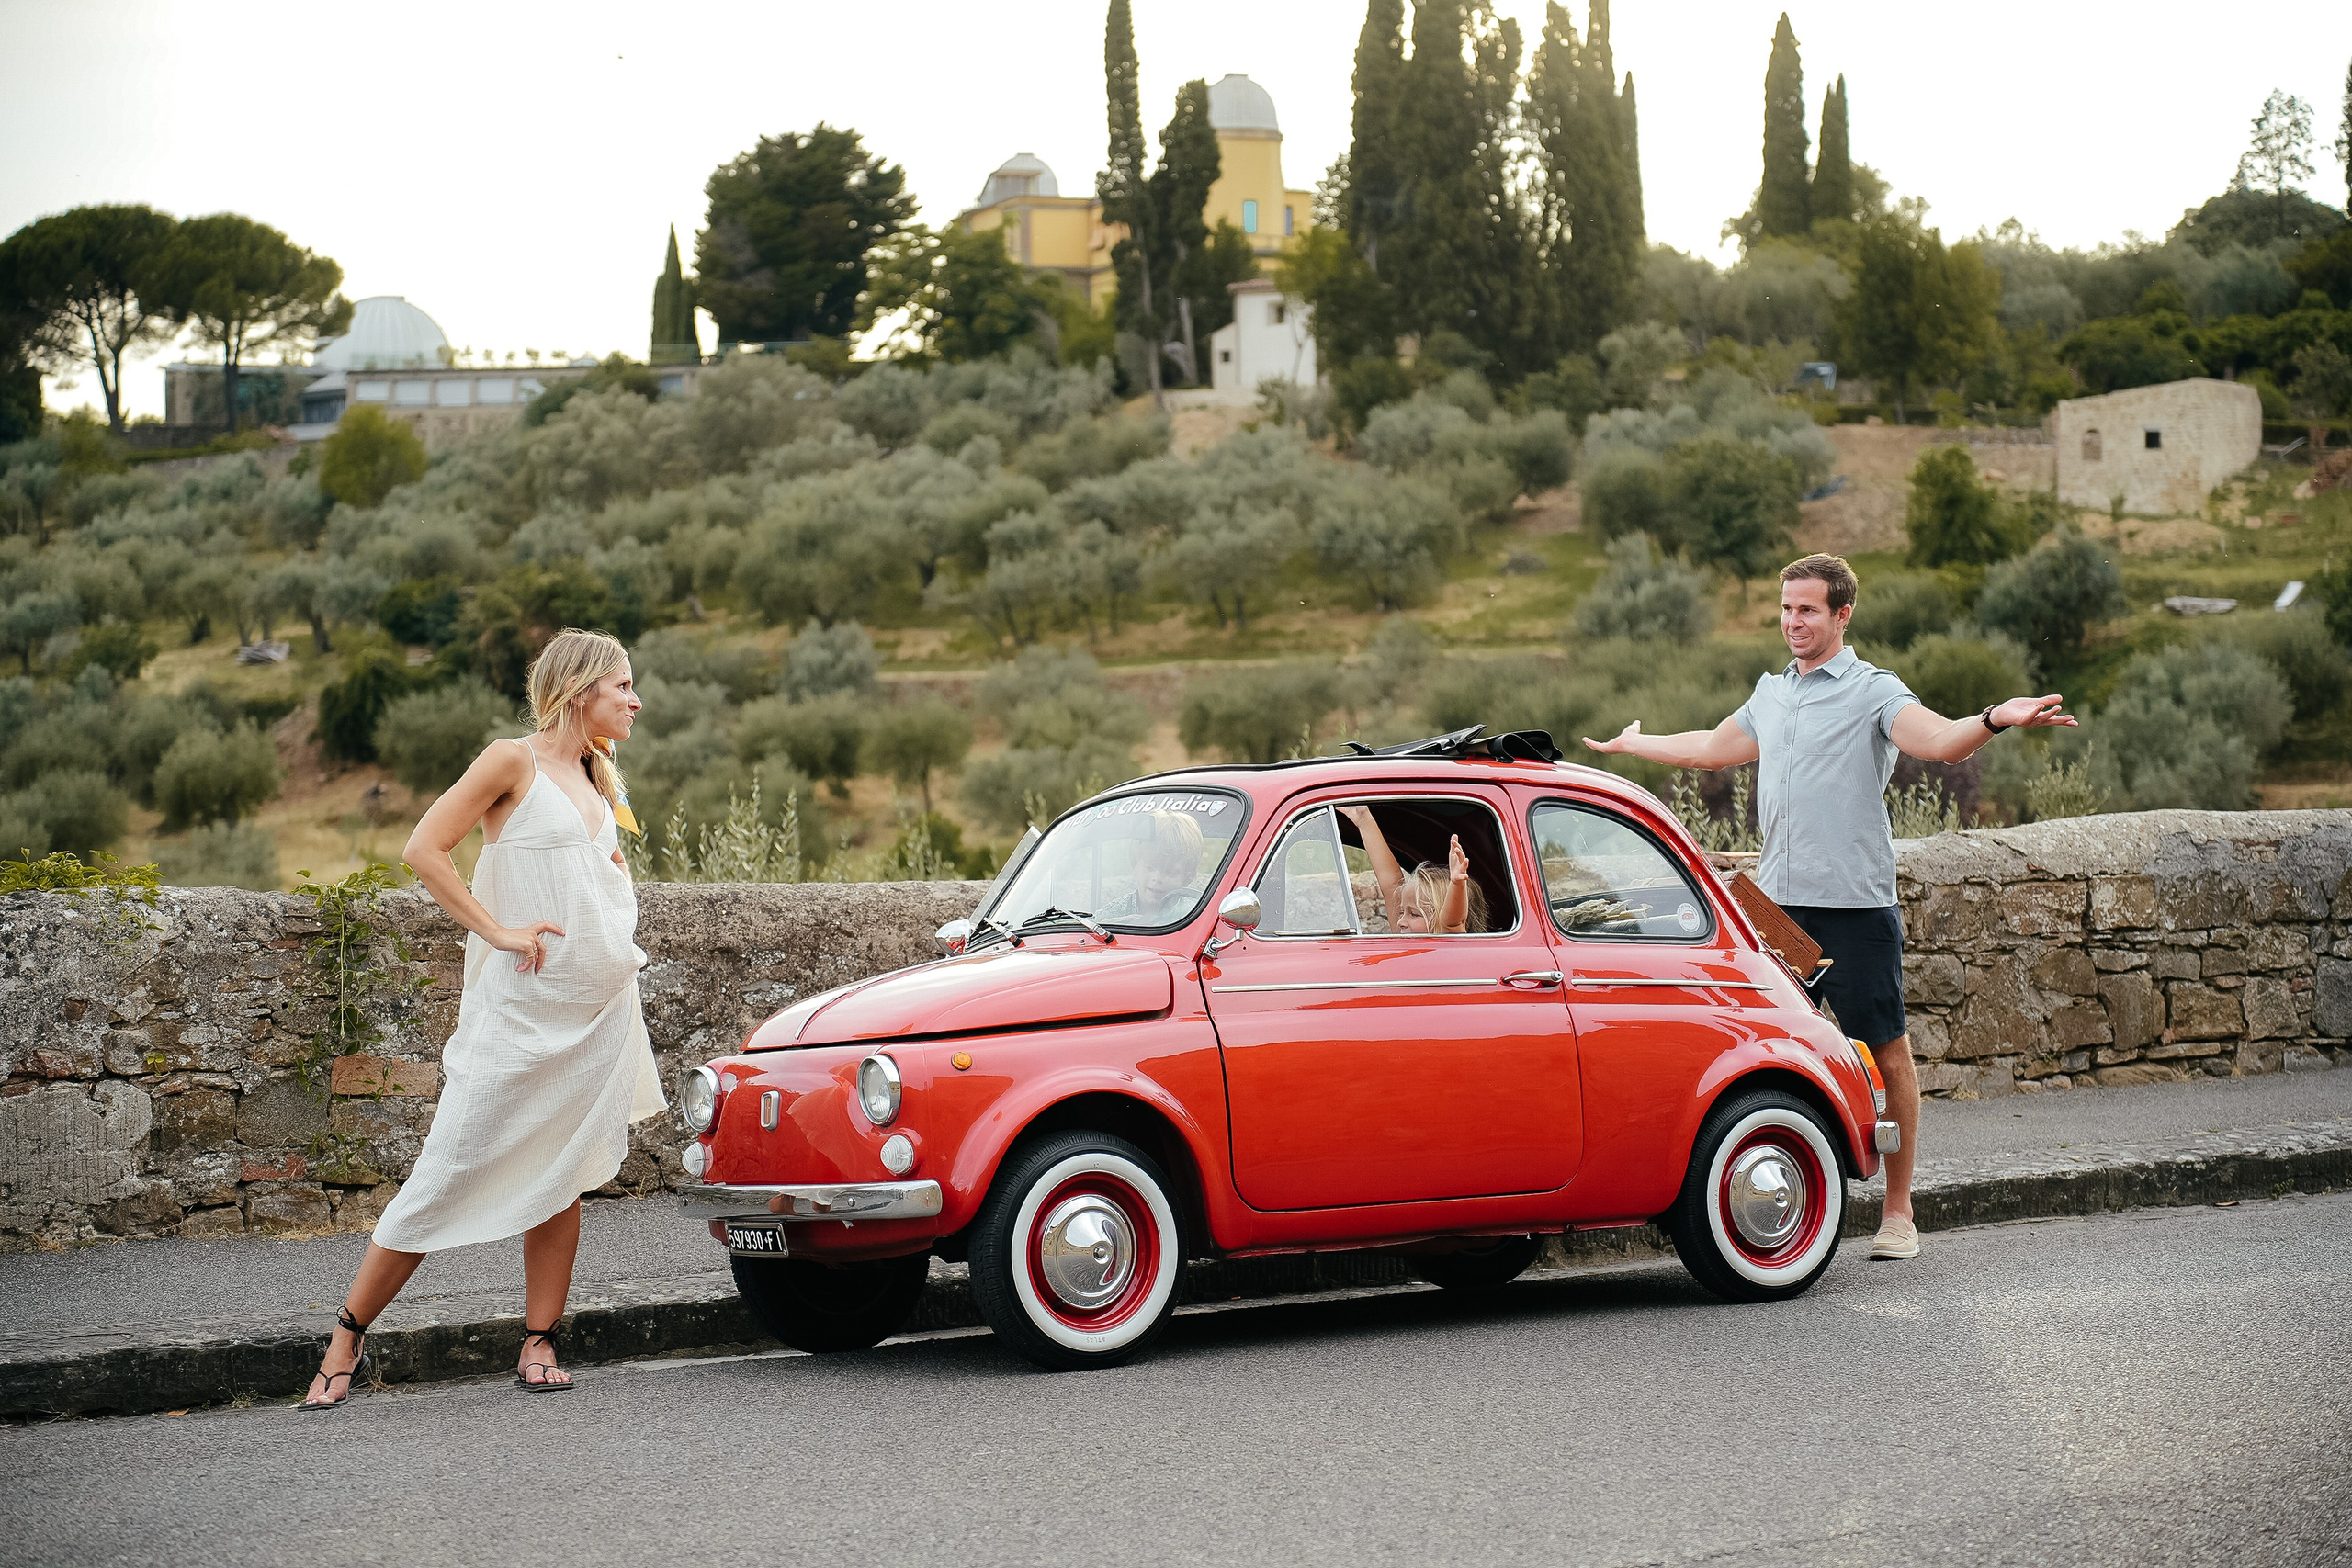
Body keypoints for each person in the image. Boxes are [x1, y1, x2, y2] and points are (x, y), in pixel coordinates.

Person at [1581, 553, 2074, 1262]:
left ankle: (1899, 1211)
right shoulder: (1770, 693)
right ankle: (1774, 1200)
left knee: (1886, 1052)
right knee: (1761, 1051)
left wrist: (1996, 716)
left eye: (1807, 609)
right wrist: (1635, 744)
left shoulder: (1874, 691)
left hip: (1853, 907)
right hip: (1775, 915)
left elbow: (1936, 740)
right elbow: (1712, 750)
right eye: (1786, 609)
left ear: (1842, 615)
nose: (1793, 622)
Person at [297, 628, 667, 1410]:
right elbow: (425, 848)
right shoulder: (513, 760)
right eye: (623, 686)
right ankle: (345, 1339)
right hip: (519, 1009)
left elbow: (603, 883)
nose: (636, 700)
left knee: (560, 1171)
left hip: (594, 1009)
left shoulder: (603, 775)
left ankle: (540, 1340)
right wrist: (497, 930)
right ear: (580, 689)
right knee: (449, 1165)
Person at [1340, 806, 1487, 934]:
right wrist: (1363, 818)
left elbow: (1452, 923)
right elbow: (1391, 884)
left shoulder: (1449, 942)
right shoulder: (1405, 937)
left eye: (1414, 915)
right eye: (1402, 912)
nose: (1400, 922)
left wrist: (1456, 884)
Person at [1098, 810, 1206, 924]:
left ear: (1188, 877)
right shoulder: (1110, 916)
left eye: (1170, 871)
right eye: (1149, 867)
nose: (1157, 878)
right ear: (1135, 866)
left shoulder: (1197, 917)